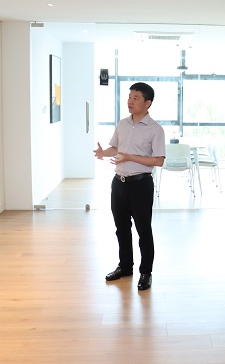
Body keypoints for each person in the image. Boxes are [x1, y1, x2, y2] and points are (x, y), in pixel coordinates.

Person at [94, 82, 165, 291]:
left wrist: (130, 157)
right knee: (121, 229)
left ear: (147, 103)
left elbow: (158, 160)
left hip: (141, 185)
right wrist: (103, 153)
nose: (130, 101)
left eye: (135, 98)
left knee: (144, 231)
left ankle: (146, 272)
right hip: (119, 184)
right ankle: (125, 267)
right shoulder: (123, 124)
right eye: (129, 97)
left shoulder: (155, 129)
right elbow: (116, 148)